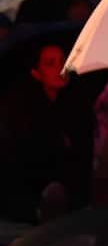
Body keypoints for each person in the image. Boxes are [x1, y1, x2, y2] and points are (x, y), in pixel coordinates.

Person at [0, 43, 90, 222]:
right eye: (50, 63)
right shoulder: (20, 110)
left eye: (63, 62)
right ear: (36, 72)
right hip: (28, 204)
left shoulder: (76, 104)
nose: (60, 68)